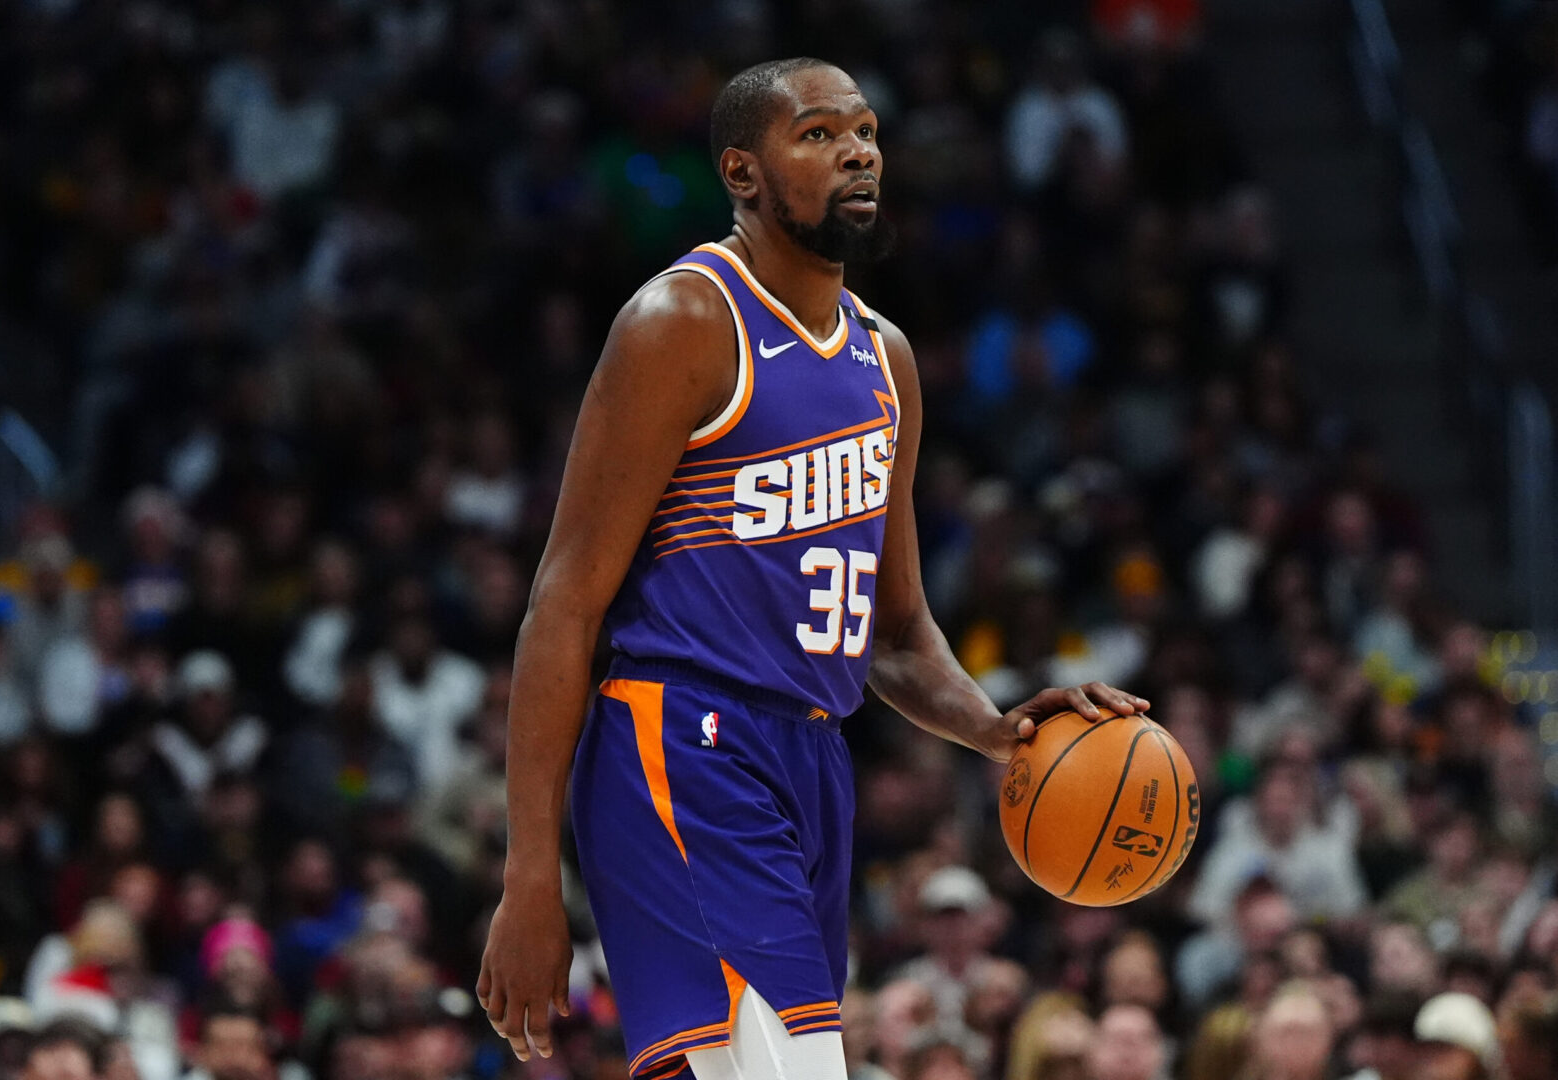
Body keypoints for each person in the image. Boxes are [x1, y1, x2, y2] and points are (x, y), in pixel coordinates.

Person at [476, 56, 1148, 1080]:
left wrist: (1000, 728)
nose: (857, 153)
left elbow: (897, 631)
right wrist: (530, 878)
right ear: (743, 174)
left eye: (866, 132)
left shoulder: (888, 361)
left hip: (812, 760)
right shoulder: (684, 323)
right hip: (686, 740)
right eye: (820, 135)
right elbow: (562, 605)